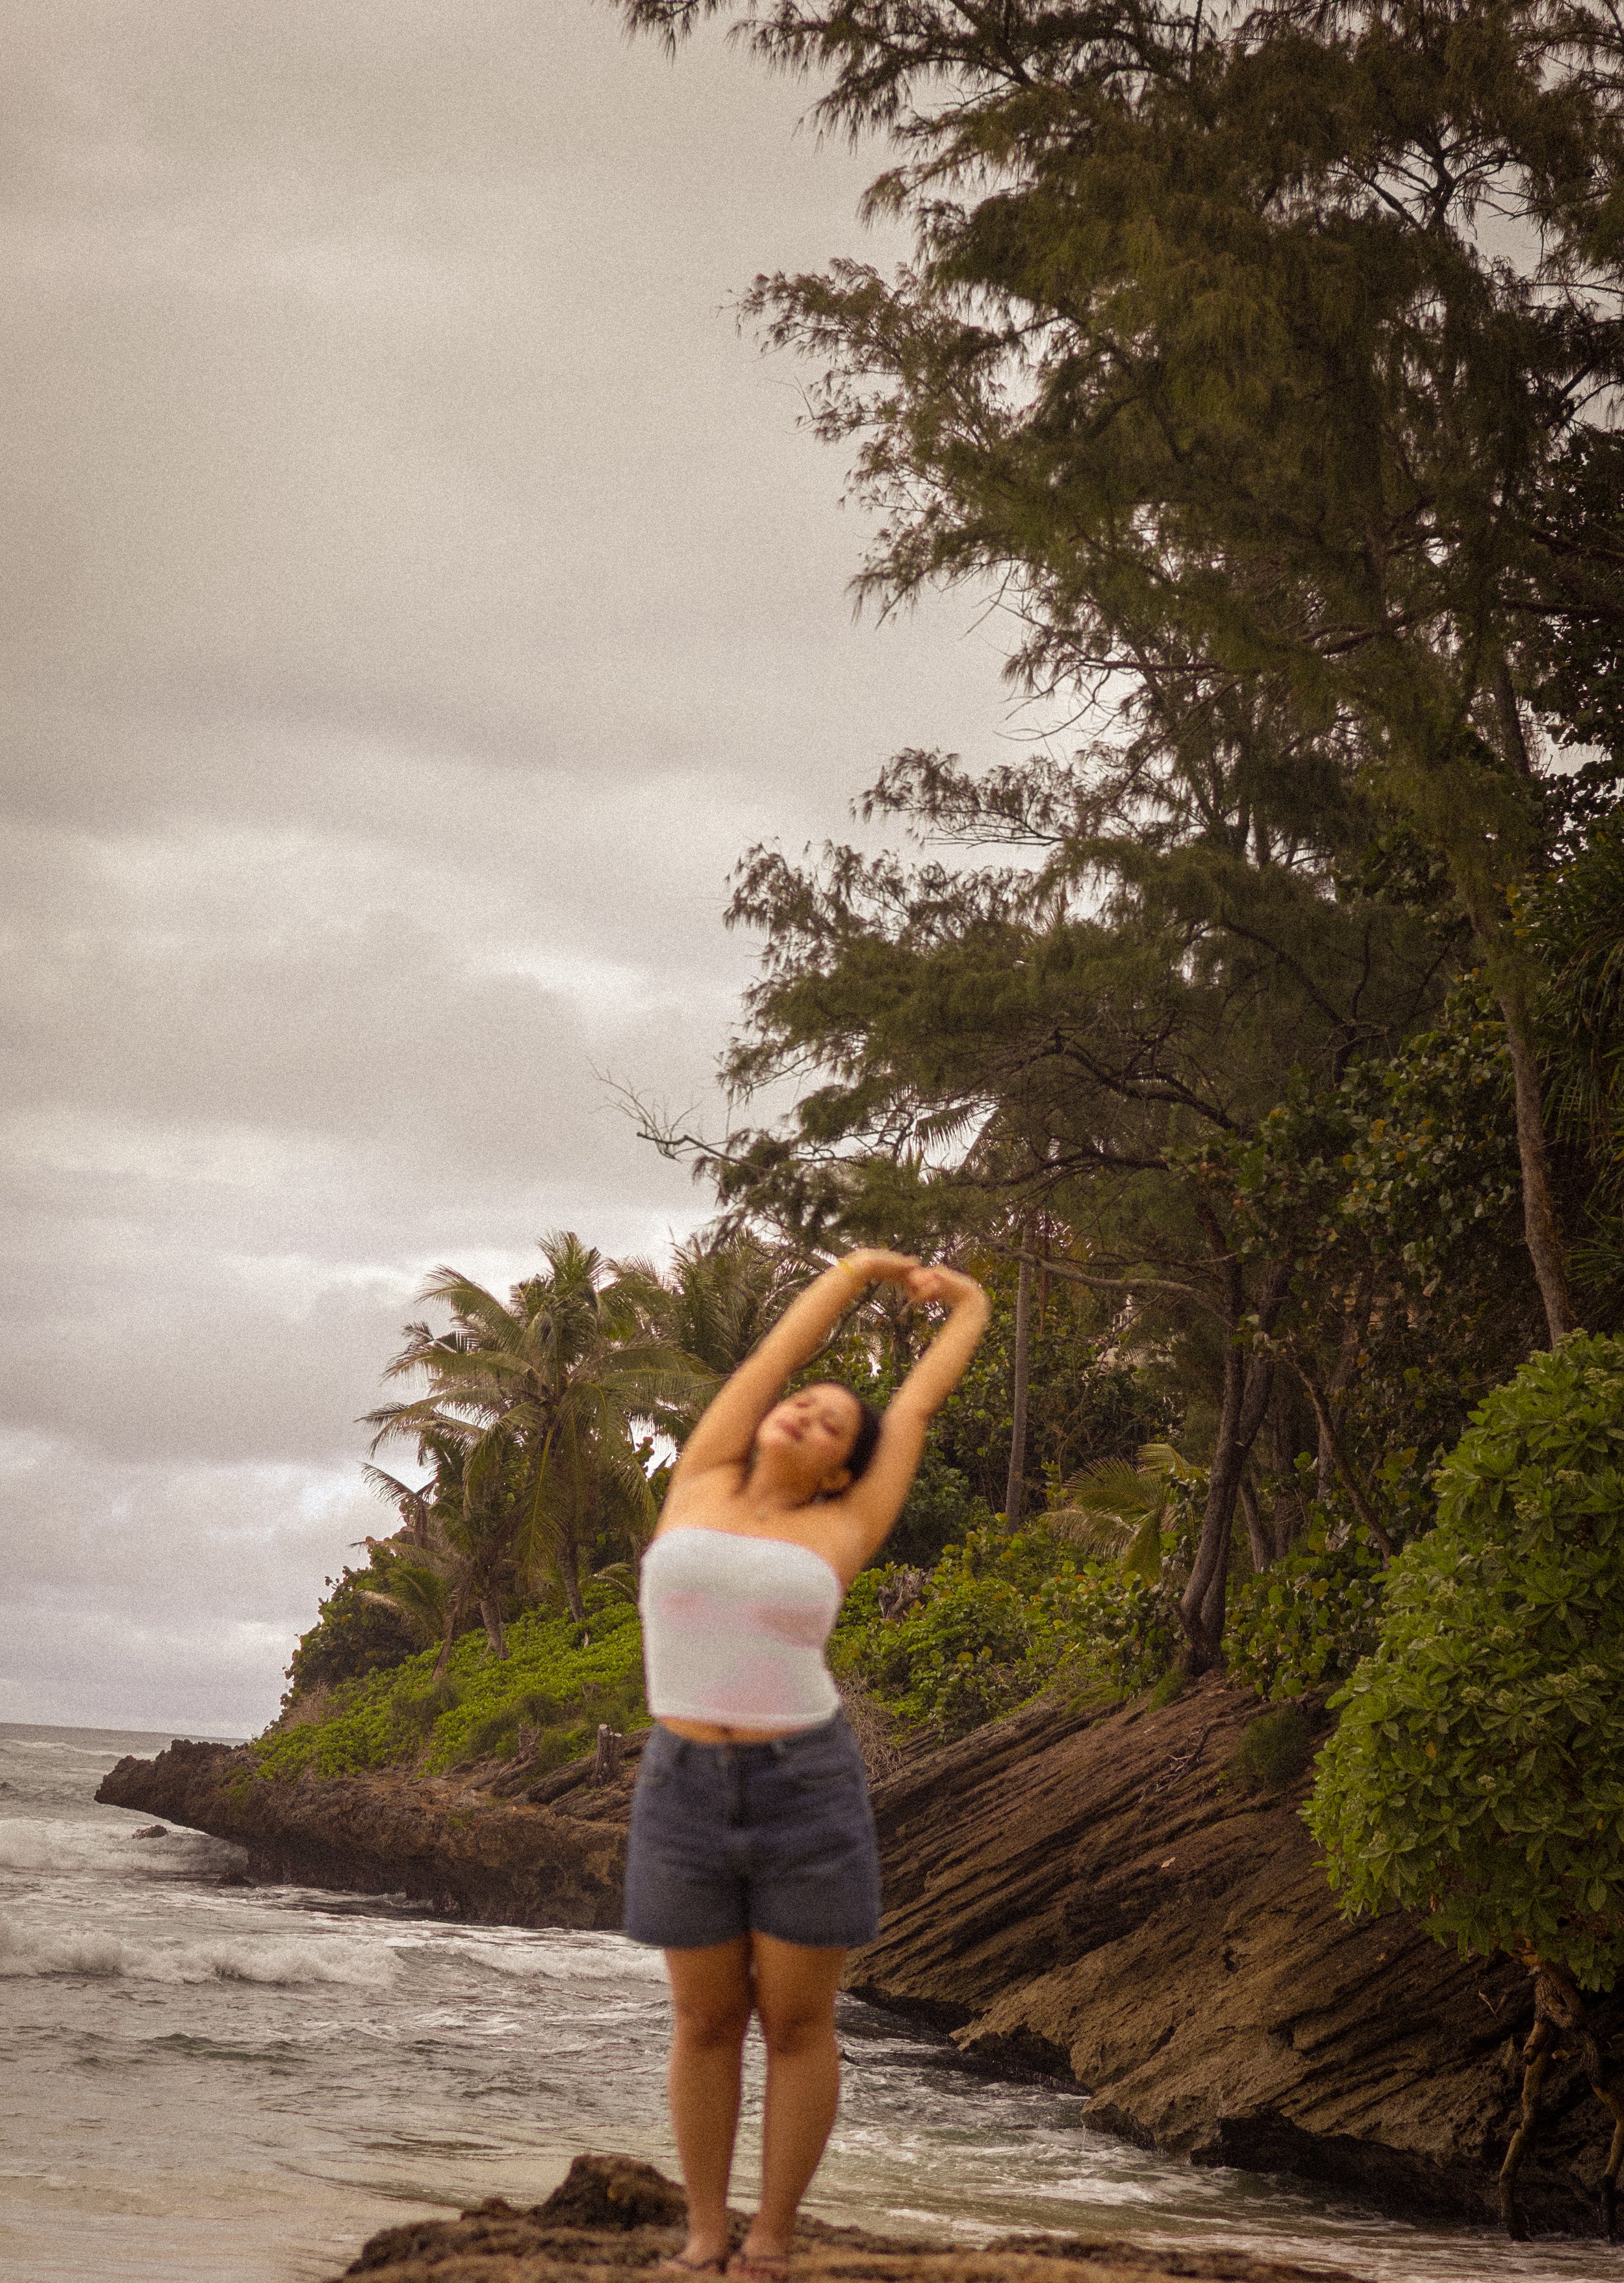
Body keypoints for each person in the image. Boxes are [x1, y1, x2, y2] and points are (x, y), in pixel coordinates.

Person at [624, 1247, 991, 2279]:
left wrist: (969, 1300)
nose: (806, 1415)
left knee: (795, 2020)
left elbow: (912, 1408)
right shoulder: (701, 1478)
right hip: (683, 1782)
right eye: (804, 1405)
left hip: (805, 1785)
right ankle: (705, 2236)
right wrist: (860, 1270)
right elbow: (781, 1350)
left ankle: (771, 2242)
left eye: (833, 1423)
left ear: (841, 1468)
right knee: (703, 2019)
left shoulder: (845, 1519)